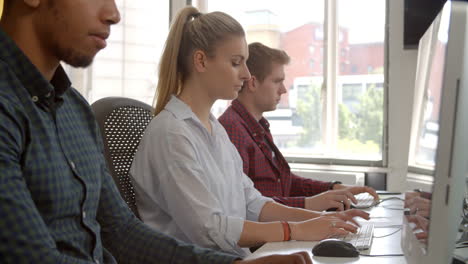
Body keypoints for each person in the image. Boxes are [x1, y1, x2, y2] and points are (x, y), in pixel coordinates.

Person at [0, 1, 313, 263]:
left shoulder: (74, 110)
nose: (114, 13)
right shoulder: (8, 108)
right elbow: (35, 258)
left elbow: (121, 232)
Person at [130, 6, 370, 257]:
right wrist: (295, 230)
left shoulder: (213, 130)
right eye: (236, 63)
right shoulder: (171, 134)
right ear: (200, 61)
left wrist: (322, 220)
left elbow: (252, 202)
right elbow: (209, 228)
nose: (246, 74)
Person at [218, 42, 379, 212]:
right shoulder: (231, 130)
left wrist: (333, 189)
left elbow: (285, 183)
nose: (283, 90)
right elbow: (245, 206)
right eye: (277, 81)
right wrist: (309, 205)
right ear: (252, 83)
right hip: (265, 235)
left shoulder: (258, 126)